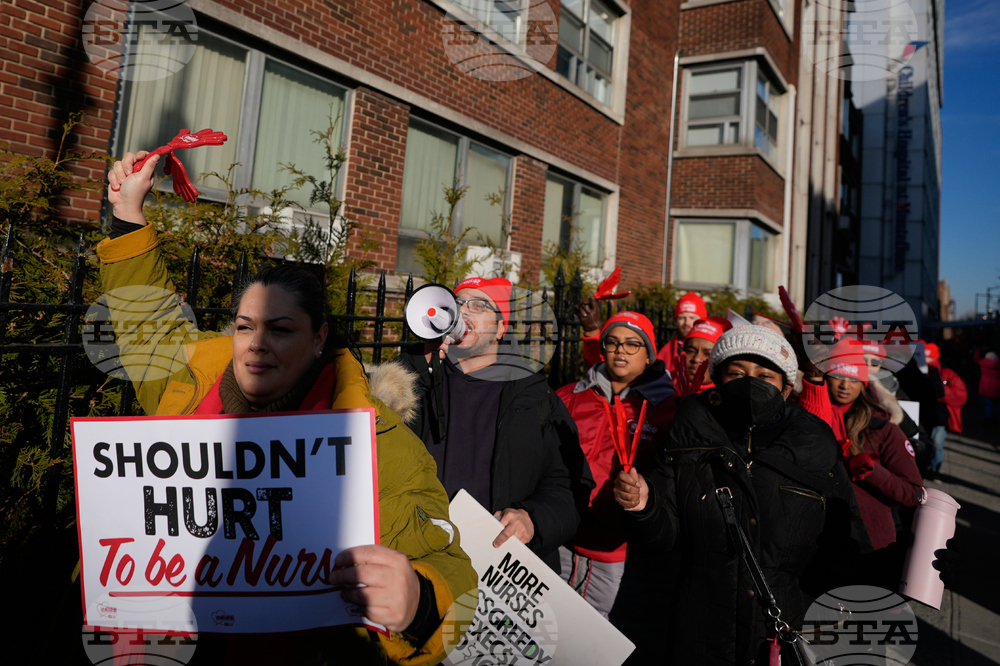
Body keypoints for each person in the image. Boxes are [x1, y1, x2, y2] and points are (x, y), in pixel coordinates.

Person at [102, 151, 477, 665]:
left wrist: (420, 600)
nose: (258, 345)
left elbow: (450, 563)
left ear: (318, 337)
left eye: (281, 330)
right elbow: (146, 324)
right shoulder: (185, 387)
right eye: (245, 326)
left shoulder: (379, 442)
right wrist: (128, 215)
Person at [613, 325, 870, 665]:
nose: (751, 383)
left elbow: (845, 548)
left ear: (787, 387)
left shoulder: (814, 444)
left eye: (766, 375)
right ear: (717, 379)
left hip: (781, 632)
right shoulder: (690, 430)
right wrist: (644, 505)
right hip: (701, 633)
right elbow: (665, 536)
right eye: (737, 373)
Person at [396, 277, 593, 571]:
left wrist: (533, 519)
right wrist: (417, 373)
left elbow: (569, 484)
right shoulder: (411, 382)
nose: (464, 312)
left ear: (501, 329)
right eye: (458, 303)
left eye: (479, 305)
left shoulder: (536, 398)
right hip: (418, 557)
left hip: (495, 567)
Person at [555, 312, 677, 620]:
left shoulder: (669, 411)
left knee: (593, 641)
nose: (620, 350)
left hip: (618, 554)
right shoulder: (569, 396)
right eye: (613, 342)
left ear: (649, 355)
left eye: (632, 344)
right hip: (562, 540)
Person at [797, 339, 924, 555]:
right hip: (810, 541)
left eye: (853, 378)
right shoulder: (800, 413)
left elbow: (913, 493)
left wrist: (871, 470)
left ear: (864, 383)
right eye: (838, 375)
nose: (845, 385)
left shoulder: (883, 429)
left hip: (869, 544)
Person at [656, 291, 708, 376]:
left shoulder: (712, 347)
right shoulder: (666, 351)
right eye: (682, 318)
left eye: (692, 318)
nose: (687, 323)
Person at [677, 316, 732, 393]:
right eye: (691, 351)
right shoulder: (665, 388)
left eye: (708, 354)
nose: (696, 359)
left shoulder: (728, 397)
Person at [974, 349, 1000, 427]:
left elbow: (976, 359)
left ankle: (987, 419)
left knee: (987, 404)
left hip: (986, 386)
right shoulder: (998, 365)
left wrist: (977, 350)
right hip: (997, 387)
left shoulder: (983, 363)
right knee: (996, 405)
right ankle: (995, 420)